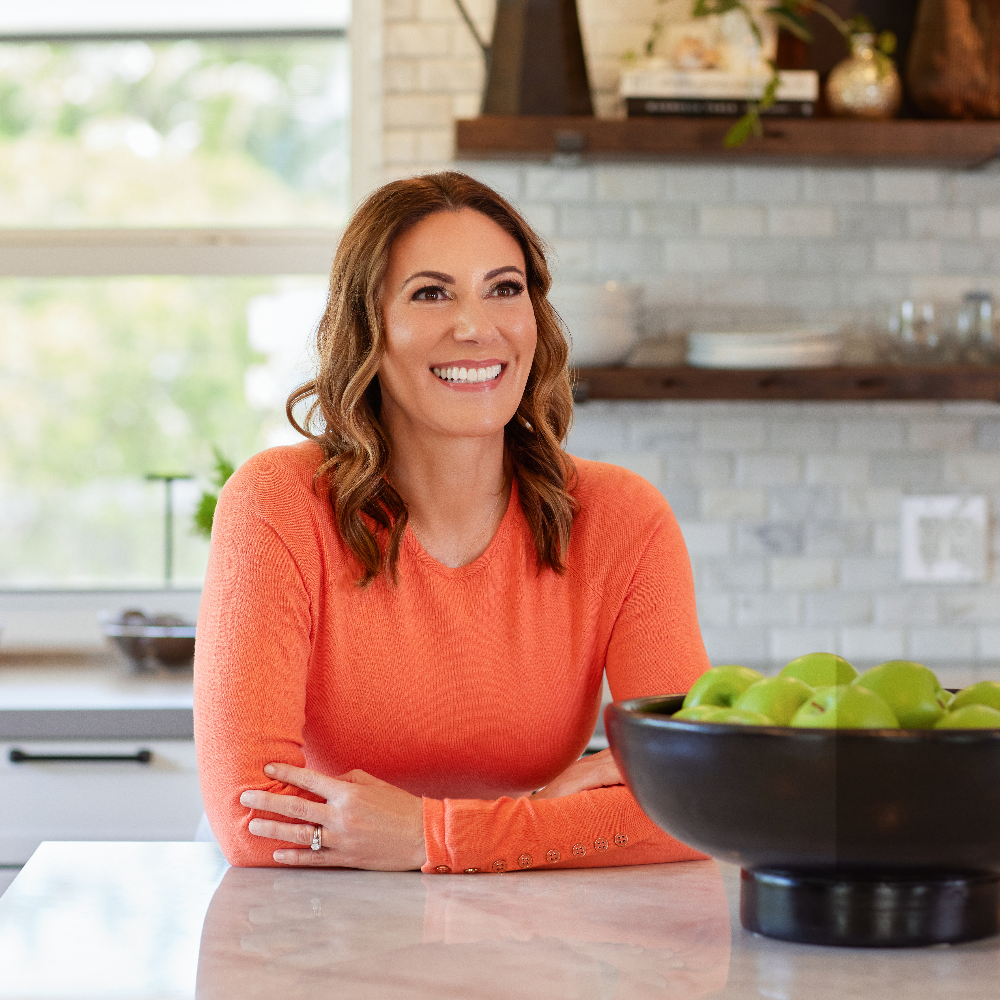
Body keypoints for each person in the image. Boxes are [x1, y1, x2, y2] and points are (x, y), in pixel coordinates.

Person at [194, 171, 711, 873]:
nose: (476, 327)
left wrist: (432, 837)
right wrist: (544, 821)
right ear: (368, 329)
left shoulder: (622, 518)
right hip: (317, 913)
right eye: (431, 293)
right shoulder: (277, 503)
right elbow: (253, 821)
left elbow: (696, 804)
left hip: (524, 915)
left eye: (505, 289)